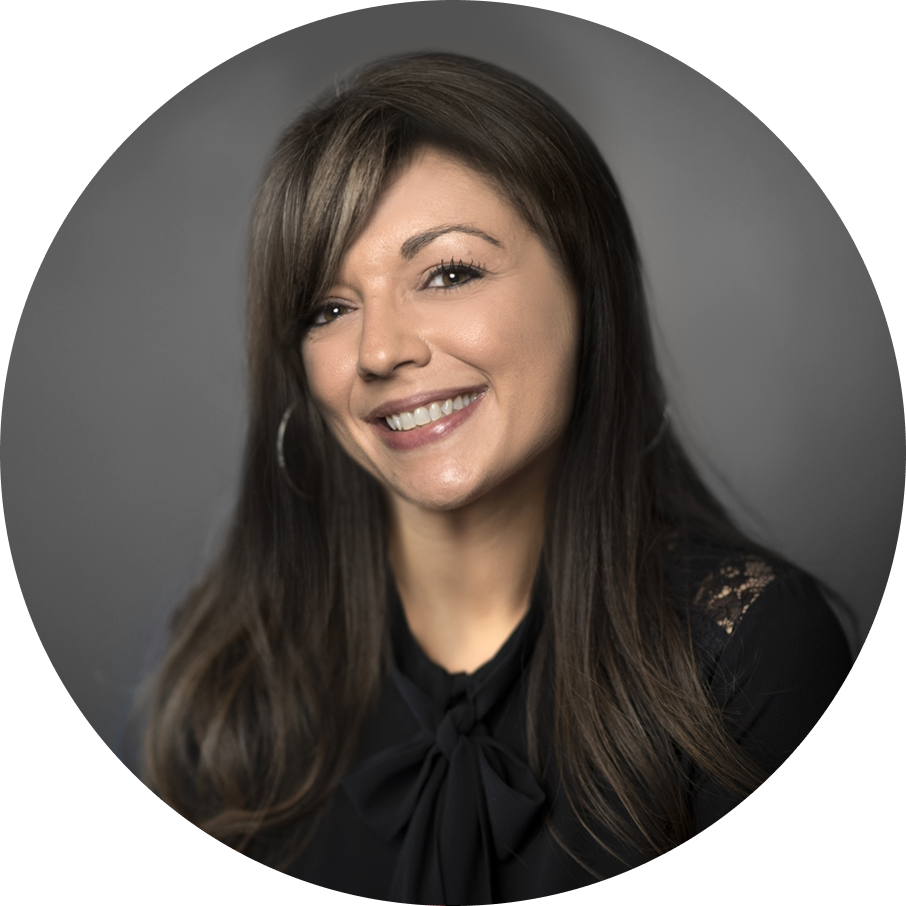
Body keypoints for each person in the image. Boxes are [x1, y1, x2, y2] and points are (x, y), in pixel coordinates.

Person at [140, 52, 874, 905]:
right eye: (329, 309)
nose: (380, 351)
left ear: (587, 286)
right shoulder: (231, 665)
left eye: (448, 273)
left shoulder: (745, 648)